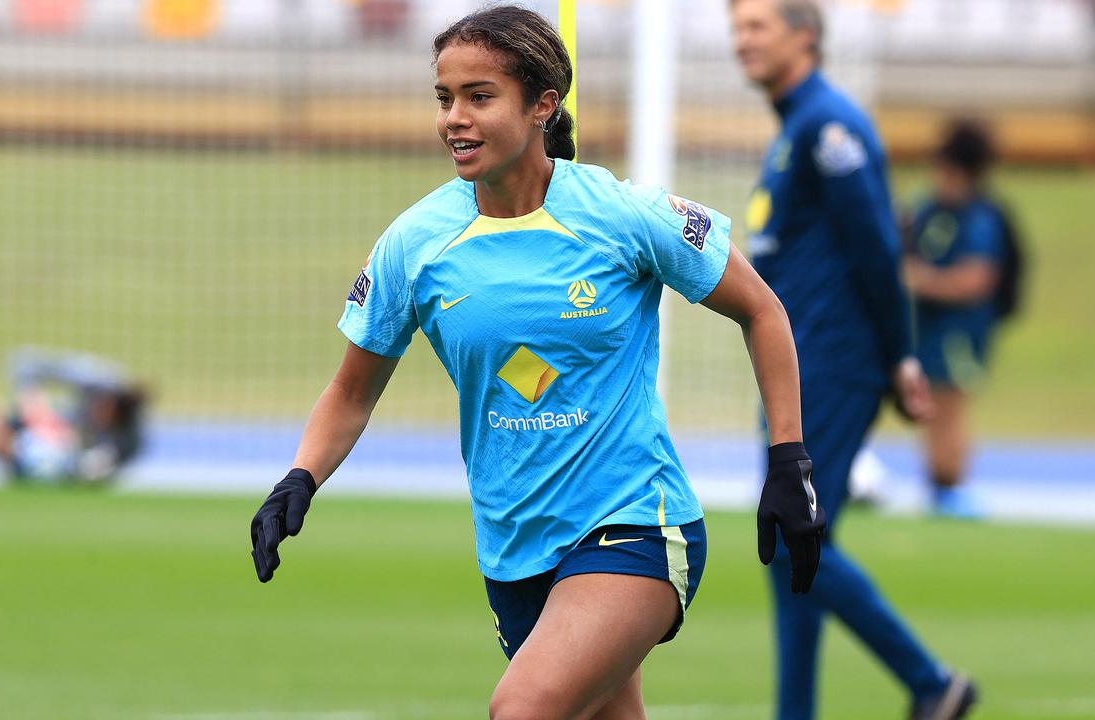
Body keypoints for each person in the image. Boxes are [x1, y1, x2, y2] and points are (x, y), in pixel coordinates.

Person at [248, 6, 825, 718]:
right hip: (514, 550)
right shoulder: (415, 243)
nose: (454, 118)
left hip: (635, 523)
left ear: (542, 106)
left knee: (521, 710)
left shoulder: (623, 215)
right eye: (444, 97)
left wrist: (788, 457)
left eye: (479, 96)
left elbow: (762, 310)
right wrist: (299, 477)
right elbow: (350, 392)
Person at [729, 1, 978, 719]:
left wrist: (901, 356)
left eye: (757, 27)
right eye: (736, 28)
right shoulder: (796, 132)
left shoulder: (827, 126)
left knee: (791, 540)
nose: (741, 41)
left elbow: (876, 247)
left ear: (805, 37)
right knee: (794, 543)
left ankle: (932, 683)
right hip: (802, 365)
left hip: (830, 365)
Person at [903, 119, 1022, 519]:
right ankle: (938, 484)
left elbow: (976, 279)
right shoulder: (926, 209)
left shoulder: (980, 217)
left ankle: (952, 485)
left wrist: (922, 280)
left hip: (960, 333)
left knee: (950, 405)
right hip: (929, 328)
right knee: (931, 406)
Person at [0, 347, 148, 484]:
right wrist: (33, 404)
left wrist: (56, 450)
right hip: (46, 427)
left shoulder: (128, 443)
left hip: (50, 456)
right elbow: (26, 363)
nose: (98, 411)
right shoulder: (96, 378)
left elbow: (87, 473)